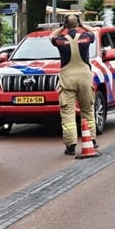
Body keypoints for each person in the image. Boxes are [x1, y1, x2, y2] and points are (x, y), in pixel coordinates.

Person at [49, 15, 99, 155]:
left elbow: (51, 36)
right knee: (87, 110)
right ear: (77, 24)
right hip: (84, 78)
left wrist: (62, 27)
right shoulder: (86, 37)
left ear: (66, 24)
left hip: (68, 79)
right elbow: (95, 31)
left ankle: (71, 146)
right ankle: (91, 140)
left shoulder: (60, 40)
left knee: (68, 114)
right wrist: (82, 25)